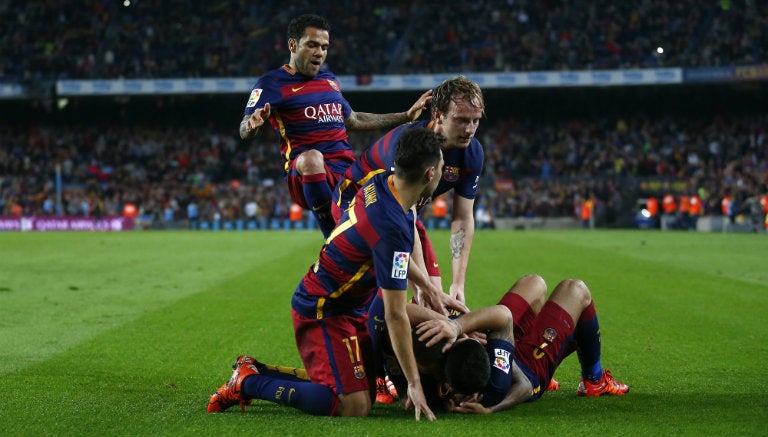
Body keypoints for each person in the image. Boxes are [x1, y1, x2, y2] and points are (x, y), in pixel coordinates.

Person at [206, 128, 446, 421]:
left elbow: (391, 253)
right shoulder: (391, 226)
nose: (444, 172)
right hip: (323, 308)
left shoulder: (384, 182)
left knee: (365, 394)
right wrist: (415, 383)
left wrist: (427, 287)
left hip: (348, 305)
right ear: (429, 173)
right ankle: (248, 383)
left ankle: (257, 369)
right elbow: (395, 315)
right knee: (354, 407)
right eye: (442, 166)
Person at [239, 14, 431, 238]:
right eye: (312, 45)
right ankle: (333, 240)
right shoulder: (271, 83)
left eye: (324, 47)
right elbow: (244, 128)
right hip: (305, 174)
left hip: (346, 172)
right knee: (312, 159)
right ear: (292, 45)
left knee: (396, 207)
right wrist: (251, 126)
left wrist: (405, 116)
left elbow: (354, 120)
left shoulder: (329, 80)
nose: (319, 53)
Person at [332, 75, 485, 313]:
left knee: (434, 296)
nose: (470, 129)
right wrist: (421, 284)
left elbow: (463, 217)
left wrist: (458, 283)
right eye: (462, 120)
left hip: (404, 215)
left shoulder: (472, 153)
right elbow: (398, 212)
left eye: (476, 120)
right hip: (357, 206)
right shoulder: (409, 145)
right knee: (396, 287)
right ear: (437, 115)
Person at [427, 274, 630, 413]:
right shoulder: (496, 384)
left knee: (534, 282)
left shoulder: (426, 366)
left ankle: (546, 339)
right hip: (525, 368)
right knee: (575, 289)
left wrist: (455, 326)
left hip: (496, 338)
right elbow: (523, 384)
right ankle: (594, 380)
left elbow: (408, 313)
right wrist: (458, 327)